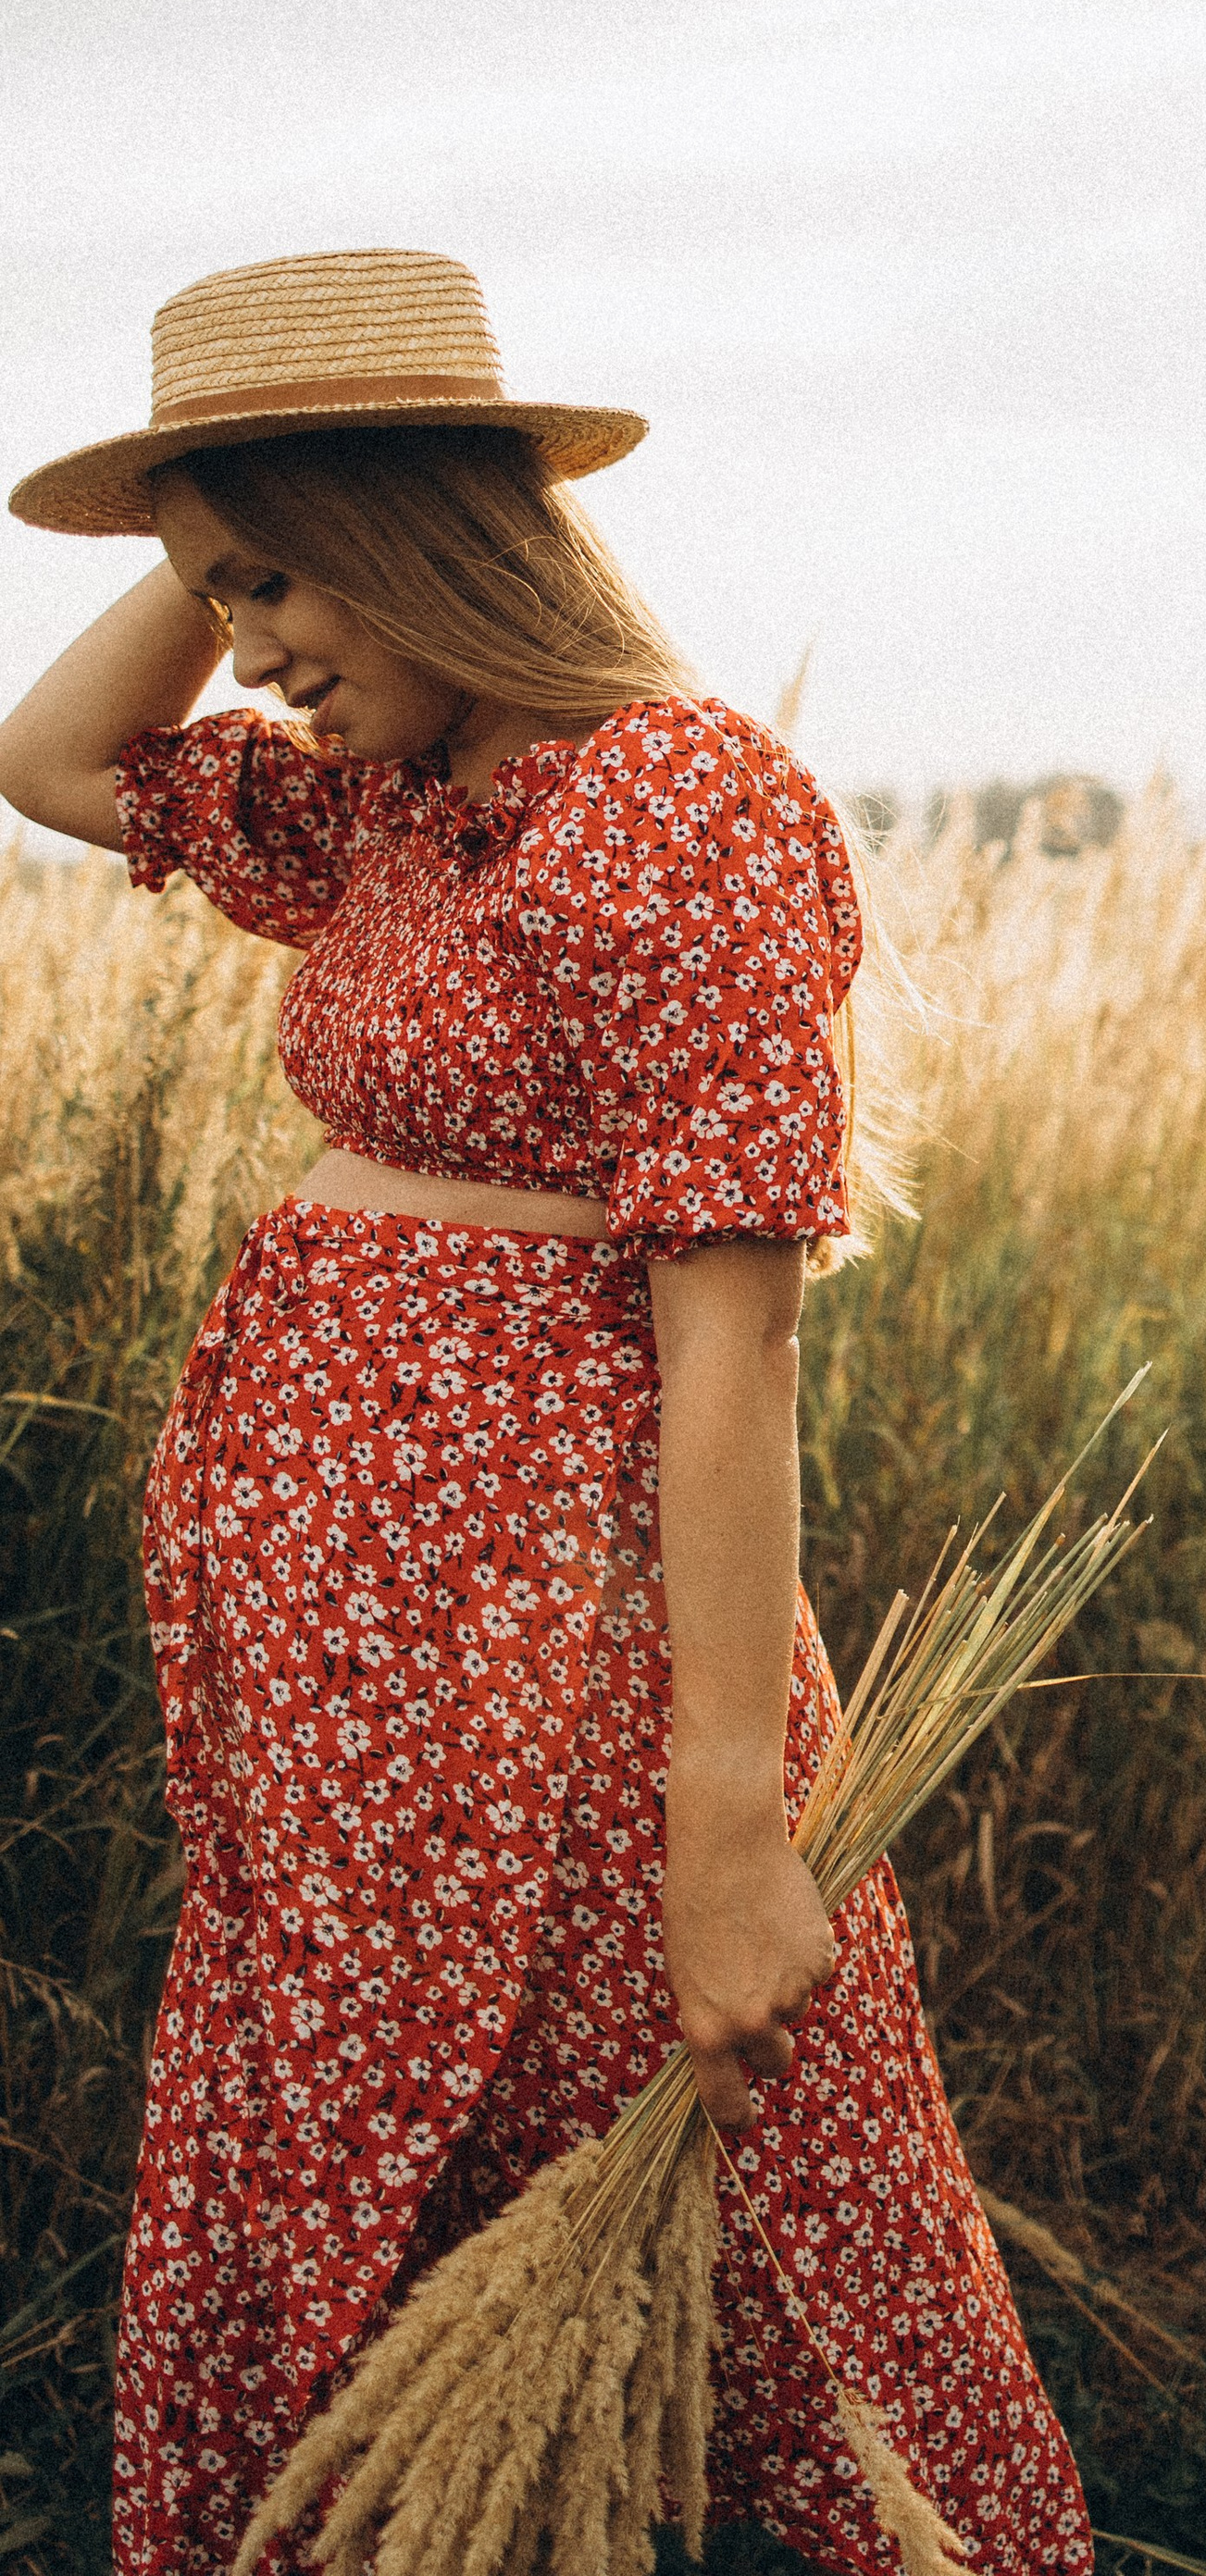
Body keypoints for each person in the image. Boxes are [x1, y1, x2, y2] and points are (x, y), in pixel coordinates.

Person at [0, 248, 1094, 2576]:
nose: (255, 651)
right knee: (385, 2097)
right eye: (222, 598)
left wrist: (732, 1825)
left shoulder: (673, 801)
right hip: (339, 1686)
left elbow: (736, 1338)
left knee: (685, 2105)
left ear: (425, 526)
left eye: (281, 582)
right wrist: (210, 543)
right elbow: (52, 760)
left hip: (538, 1643)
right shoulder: (390, 808)